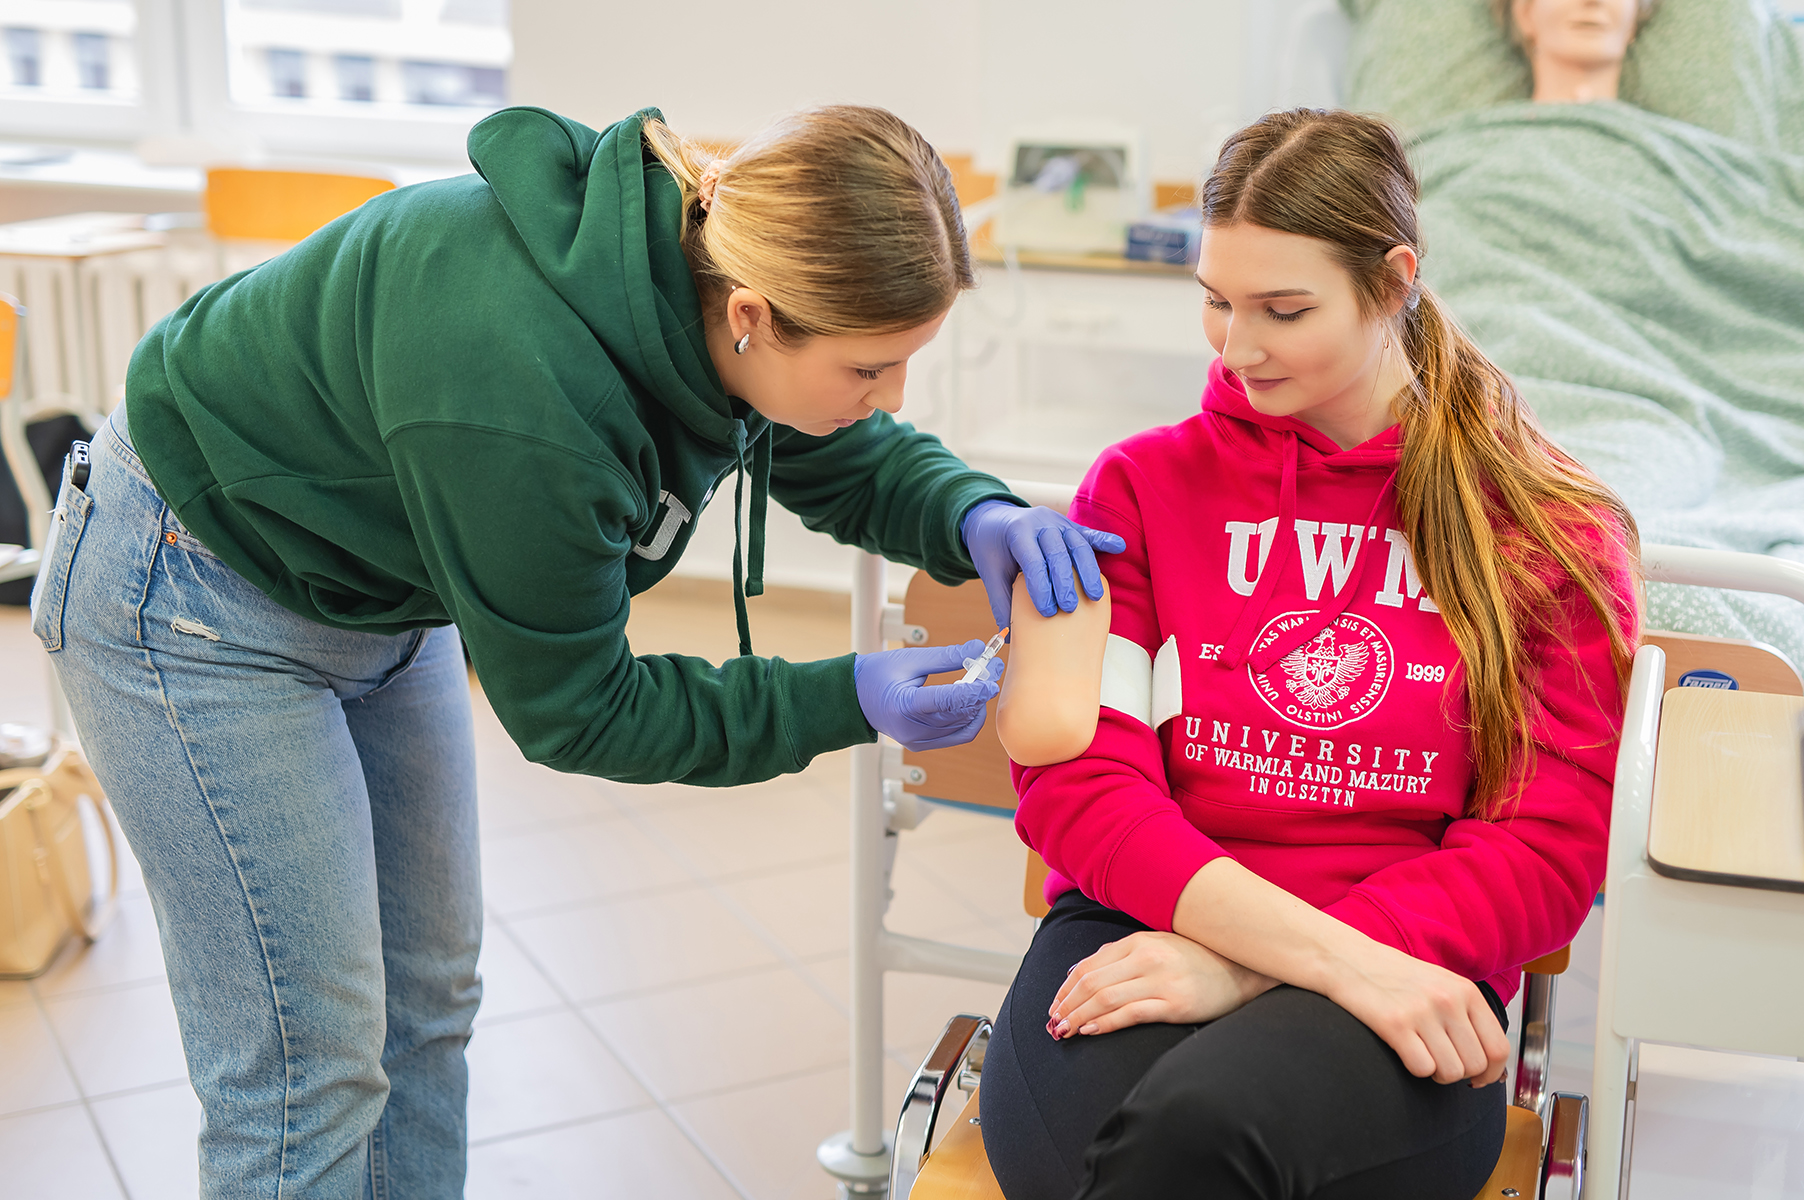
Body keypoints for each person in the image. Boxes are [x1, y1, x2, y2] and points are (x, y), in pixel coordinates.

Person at [28, 103, 1122, 1198]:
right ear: (752, 315)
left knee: (428, 1003)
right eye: (871, 369)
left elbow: (833, 445)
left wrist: (975, 511)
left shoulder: (706, 276)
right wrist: (848, 699)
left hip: (371, 582)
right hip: (194, 594)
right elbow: (580, 709)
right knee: (306, 1070)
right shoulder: (524, 400)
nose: (891, 398)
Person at [978, 108, 1640, 1199]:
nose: (1236, 347)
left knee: (1190, 1141)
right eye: (1216, 301)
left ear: (1393, 283)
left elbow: (1544, 852)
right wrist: (1262, 948)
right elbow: (1079, 786)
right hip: (1141, 929)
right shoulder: (1136, 491)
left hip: (1410, 966)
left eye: (1283, 310)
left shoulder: (1546, 530)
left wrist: (1244, 966)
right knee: (1134, 1157)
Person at [1498, 0, 1656, 103]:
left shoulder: (1667, 140)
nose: (1593, 1)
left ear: (1634, 21)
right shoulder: (1489, 137)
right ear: (1525, 15)